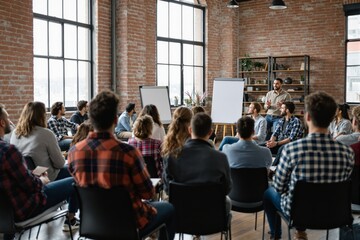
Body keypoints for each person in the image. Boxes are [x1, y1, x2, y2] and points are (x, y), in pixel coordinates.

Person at [67, 91, 175, 240]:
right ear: (116, 120)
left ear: (90, 119)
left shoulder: (74, 152)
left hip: (93, 222)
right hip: (129, 222)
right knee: (169, 208)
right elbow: (148, 193)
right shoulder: (128, 153)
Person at [263, 91, 354, 240]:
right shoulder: (347, 152)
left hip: (299, 213)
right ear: (332, 118)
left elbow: (279, 187)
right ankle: (299, 231)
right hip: (334, 213)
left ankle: (276, 235)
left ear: (307, 117)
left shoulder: (291, 150)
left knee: (268, 193)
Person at [0, 104, 79, 240]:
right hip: (26, 205)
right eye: (7, 117)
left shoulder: (15, 134)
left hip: (5, 210)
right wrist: (41, 180)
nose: (10, 121)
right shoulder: (8, 151)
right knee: (75, 177)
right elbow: (57, 165)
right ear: (1, 122)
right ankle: (70, 219)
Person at [162, 112, 232, 212]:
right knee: (227, 203)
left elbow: (167, 189)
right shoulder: (221, 158)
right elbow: (227, 189)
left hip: (181, 213)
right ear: (210, 132)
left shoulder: (171, 156)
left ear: (190, 130)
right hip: (210, 213)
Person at [10, 102, 70, 181]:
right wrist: (63, 156)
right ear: (42, 116)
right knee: (77, 169)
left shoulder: (15, 133)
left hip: (26, 178)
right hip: (47, 178)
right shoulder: (46, 133)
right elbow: (60, 164)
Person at [266, 102, 303, 166]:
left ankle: (272, 168)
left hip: (291, 145)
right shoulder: (281, 120)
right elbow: (275, 133)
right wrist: (271, 142)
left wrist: (276, 143)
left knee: (282, 149)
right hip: (279, 143)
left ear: (287, 110)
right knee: (262, 146)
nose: (280, 109)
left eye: (282, 108)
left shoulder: (296, 121)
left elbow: (291, 138)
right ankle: (263, 167)